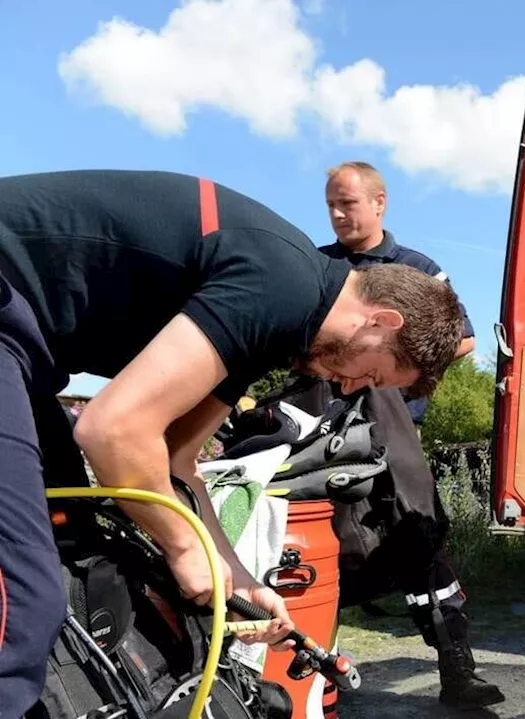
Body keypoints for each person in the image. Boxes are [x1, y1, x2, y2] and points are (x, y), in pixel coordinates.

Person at [0, 169, 465, 715]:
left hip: (28, 354)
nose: (348, 387)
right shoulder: (281, 282)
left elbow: (177, 463)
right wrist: (180, 546)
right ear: (382, 321)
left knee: (71, 552)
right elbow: (112, 431)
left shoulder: (280, 323)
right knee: (22, 606)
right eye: (373, 375)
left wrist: (241, 583)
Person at [296, 160, 501, 709]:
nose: (339, 215)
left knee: (422, 537)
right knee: (320, 548)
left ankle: (458, 671)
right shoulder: (317, 268)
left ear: (380, 203)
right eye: (331, 205)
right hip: (326, 434)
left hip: (395, 429)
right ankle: (314, 680)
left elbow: (461, 339)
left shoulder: (418, 269)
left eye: (349, 203)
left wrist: (390, 369)